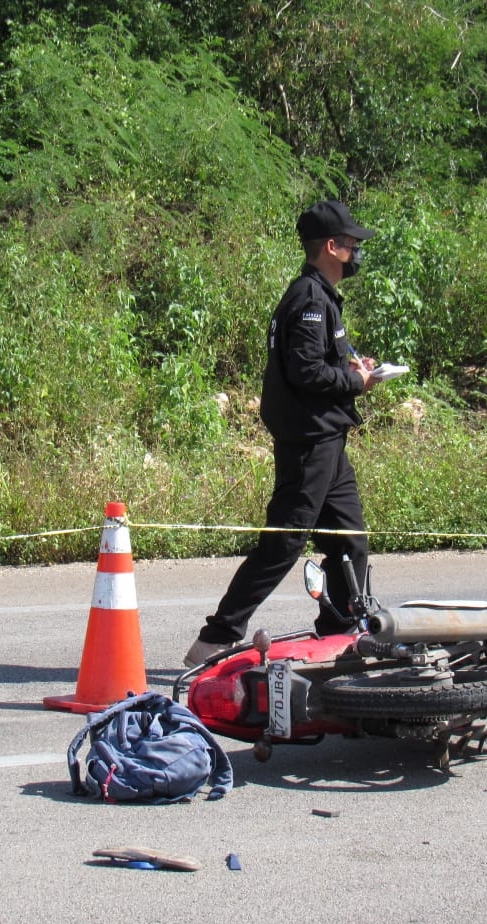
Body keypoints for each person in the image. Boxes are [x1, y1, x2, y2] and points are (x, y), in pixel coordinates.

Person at [183, 200, 378, 667]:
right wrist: (355, 382)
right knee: (285, 540)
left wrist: (354, 366)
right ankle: (218, 635)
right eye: (350, 243)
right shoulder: (310, 299)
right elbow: (306, 371)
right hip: (310, 440)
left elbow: (317, 362)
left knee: (349, 540)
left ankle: (344, 629)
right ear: (331, 247)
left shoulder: (318, 297)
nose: (355, 250)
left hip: (329, 438)